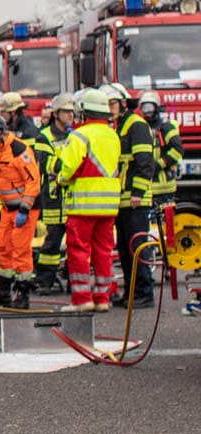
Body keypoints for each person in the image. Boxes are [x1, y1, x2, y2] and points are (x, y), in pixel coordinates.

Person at [53, 87, 123, 312]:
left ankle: (82, 298)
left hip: (83, 204)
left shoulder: (79, 135)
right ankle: (102, 298)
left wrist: (60, 179)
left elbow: (69, 167)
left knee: (79, 251)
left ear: (84, 112)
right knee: (103, 251)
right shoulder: (113, 135)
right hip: (109, 205)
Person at [0, 113, 41, 308]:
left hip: (24, 209)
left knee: (21, 250)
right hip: (7, 208)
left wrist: (25, 208)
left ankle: (23, 295)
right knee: (4, 247)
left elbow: (33, 181)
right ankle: (4, 292)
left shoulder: (19, 150)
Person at [108, 83, 158, 308]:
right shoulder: (121, 126)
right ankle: (130, 293)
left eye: (113, 103)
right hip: (123, 199)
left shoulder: (135, 125)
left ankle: (144, 294)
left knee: (138, 246)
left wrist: (138, 191)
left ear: (123, 102)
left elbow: (145, 162)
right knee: (125, 250)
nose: (110, 108)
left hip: (136, 199)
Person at [30, 93, 74, 293]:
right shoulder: (44, 136)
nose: (70, 116)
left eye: (72, 112)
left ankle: (75, 281)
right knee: (52, 241)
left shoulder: (75, 134)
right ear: (56, 114)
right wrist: (71, 166)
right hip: (54, 197)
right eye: (66, 112)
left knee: (75, 242)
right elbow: (45, 163)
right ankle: (44, 280)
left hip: (73, 197)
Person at [138, 89, 183, 209]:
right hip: (147, 189)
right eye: (144, 108)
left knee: (165, 224)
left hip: (165, 189)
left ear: (156, 108)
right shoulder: (141, 129)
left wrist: (159, 164)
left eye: (149, 108)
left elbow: (177, 150)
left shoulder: (166, 128)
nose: (147, 112)